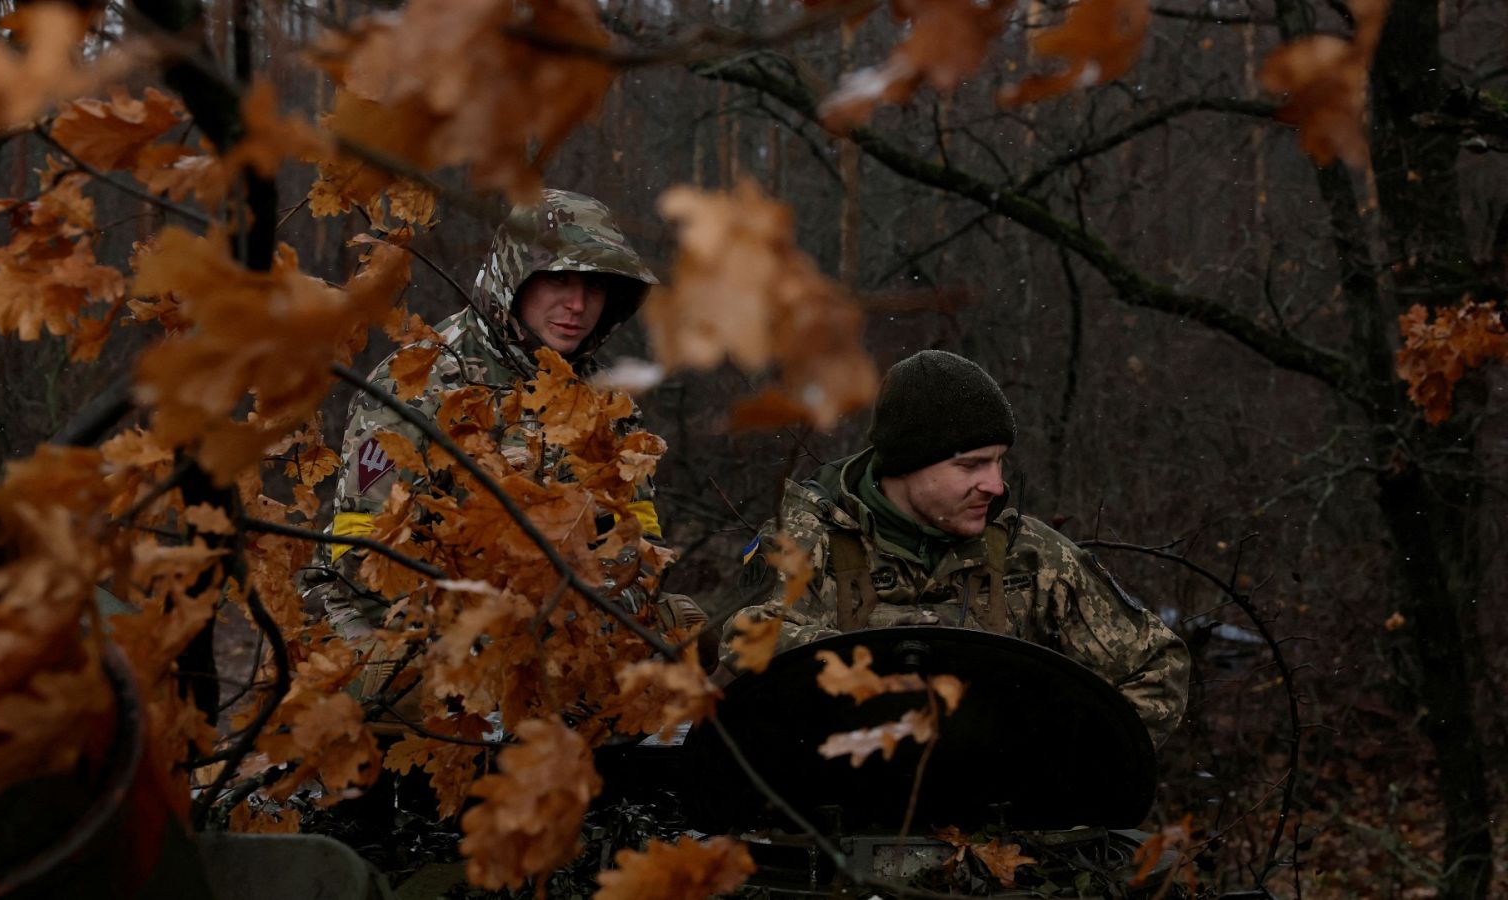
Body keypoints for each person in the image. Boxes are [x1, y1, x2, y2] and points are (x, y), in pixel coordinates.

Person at [302, 190, 699, 685]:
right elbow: (364, 557)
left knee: (683, 630)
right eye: (559, 279)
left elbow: (639, 546)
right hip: (409, 627)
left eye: (595, 288)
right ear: (515, 278)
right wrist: (496, 634)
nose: (577, 305)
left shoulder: (603, 402)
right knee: (397, 684)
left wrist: (590, 622)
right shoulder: (419, 379)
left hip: (559, 633)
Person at [722, 350, 1189, 746]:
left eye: (999, 462)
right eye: (972, 465)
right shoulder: (806, 540)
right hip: (842, 812)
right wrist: (901, 662)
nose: (995, 484)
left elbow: (1156, 665)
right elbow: (749, 645)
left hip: (1006, 823)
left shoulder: (1032, 555)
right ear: (907, 465)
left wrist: (1056, 755)